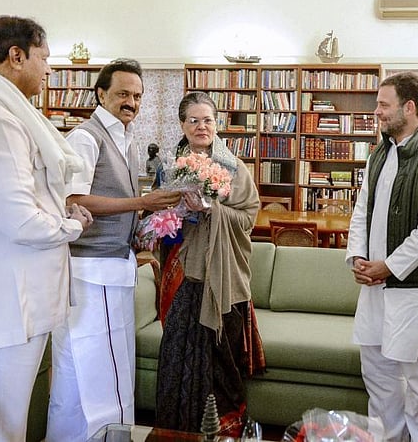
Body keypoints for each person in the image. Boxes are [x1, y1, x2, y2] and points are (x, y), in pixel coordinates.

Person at [0, 15, 93, 442]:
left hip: (19, 298)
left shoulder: (10, 109)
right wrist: (71, 224)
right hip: (7, 304)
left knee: (6, 423)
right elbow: (21, 220)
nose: (49, 69)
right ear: (16, 56)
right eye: (44, 58)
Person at [47, 59, 181, 440]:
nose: (131, 102)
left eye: (137, 96)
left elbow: (119, 199)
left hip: (116, 267)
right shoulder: (85, 138)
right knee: (90, 370)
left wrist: (141, 228)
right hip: (91, 270)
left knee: (107, 369)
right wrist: (142, 204)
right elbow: (74, 199)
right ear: (101, 94)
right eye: (123, 94)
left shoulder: (128, 139)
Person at [345, 71, 418, 442]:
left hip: (416, 288)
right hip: (374, 283)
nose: (376, 111)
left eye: (384, 104)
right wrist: (358, 257)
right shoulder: (379, 154)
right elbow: (362, 209)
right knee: (377, 373)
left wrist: (389, 267)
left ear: (409, 108)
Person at [154, 91, 266, 436]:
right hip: (182, 270)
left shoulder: (233, 168)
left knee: (220, 358)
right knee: (176, 352)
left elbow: (248, 217)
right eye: (194, 120)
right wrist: (171, 215)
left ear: (217, 124)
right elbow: (157, 213)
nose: (201, 127)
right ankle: (178, 431)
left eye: (208, 120)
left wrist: (211, 209)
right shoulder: (169, 168)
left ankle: (222, 432)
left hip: (222, 273)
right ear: (182, 125)